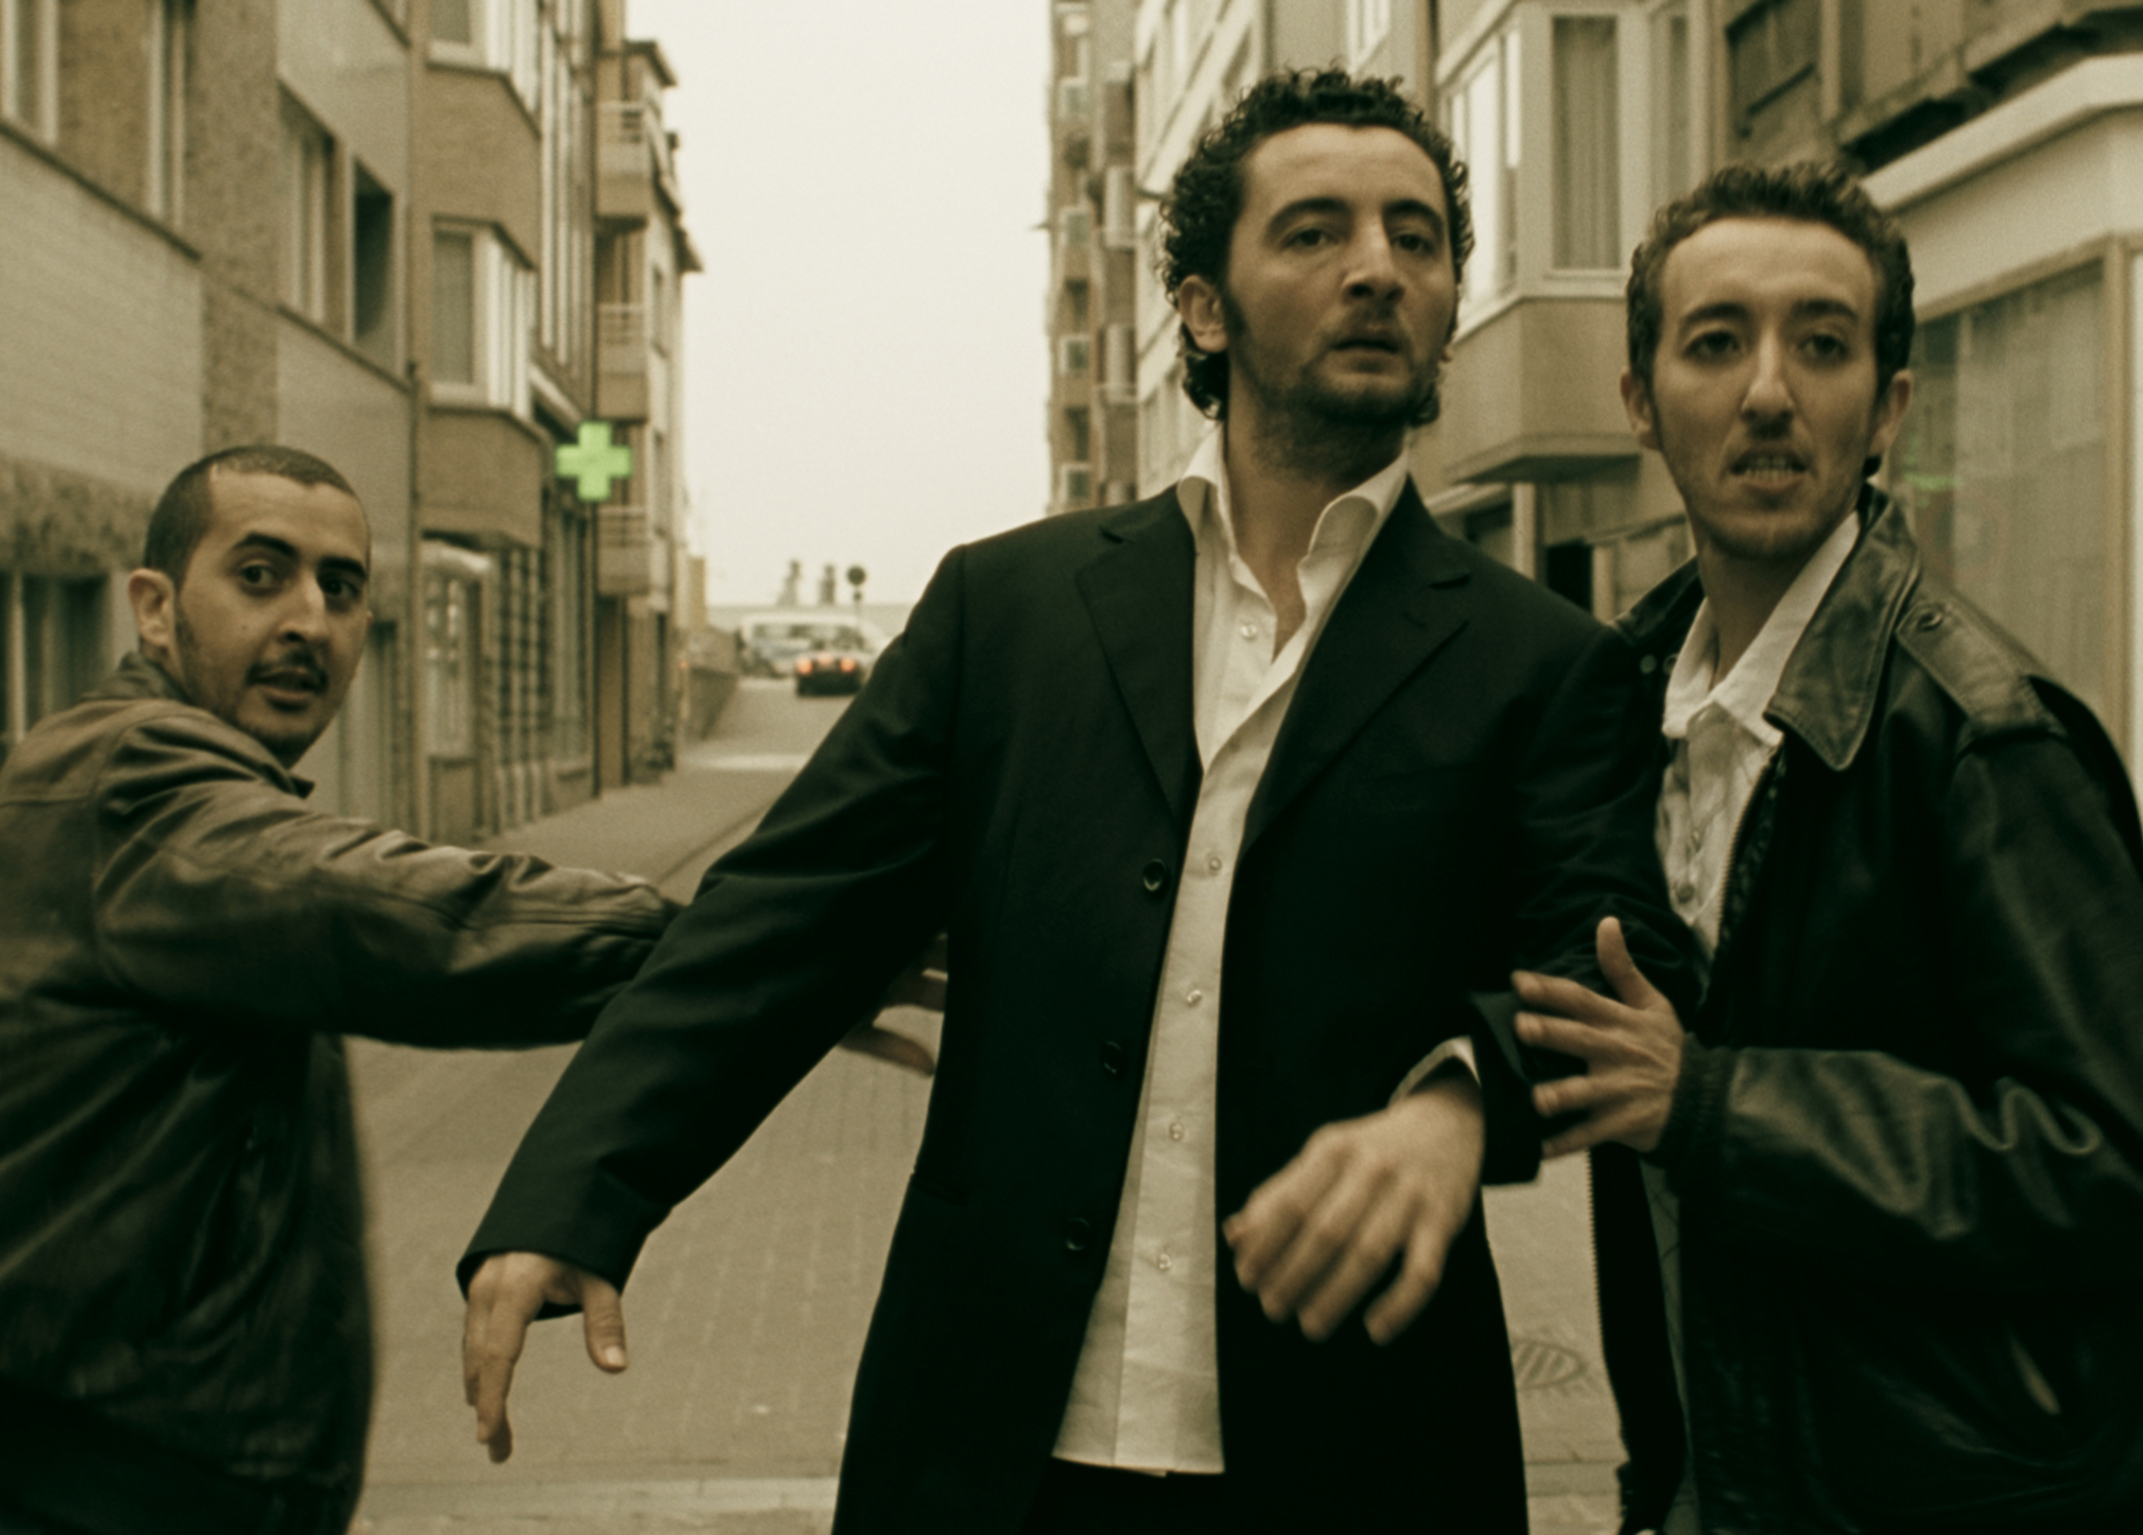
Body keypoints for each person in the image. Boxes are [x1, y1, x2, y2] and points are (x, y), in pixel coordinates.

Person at [454, 69, 1694, 1535]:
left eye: (1415, 237)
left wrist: (1458, 1100)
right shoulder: (1007, 611)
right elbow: (778, 919)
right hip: (993, 1442)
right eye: (1315, 231)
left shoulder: (1544, 663)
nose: (1377, 267)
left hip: (1359, 1450)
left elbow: (1615, 966)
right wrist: (576, 1190)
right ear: (1203, 308)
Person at [0, 446, 694, 1533]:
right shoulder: (136, 776)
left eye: (341, 588)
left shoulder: (193, 792)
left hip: (42, 1454)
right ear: (154, 608)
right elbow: (410, 920)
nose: (308, 620)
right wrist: (728, 954)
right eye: (259, 575)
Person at [1513, 162, 2143, 1534]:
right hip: (1725, 1474)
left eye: (1822, 344)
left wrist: (1716, 1103)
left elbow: (2131, 1158)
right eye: (1717, 341)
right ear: (1641, 400)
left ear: (1888, 406)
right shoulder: (1621, 710)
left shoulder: (1982, 736)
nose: (1769, 391)